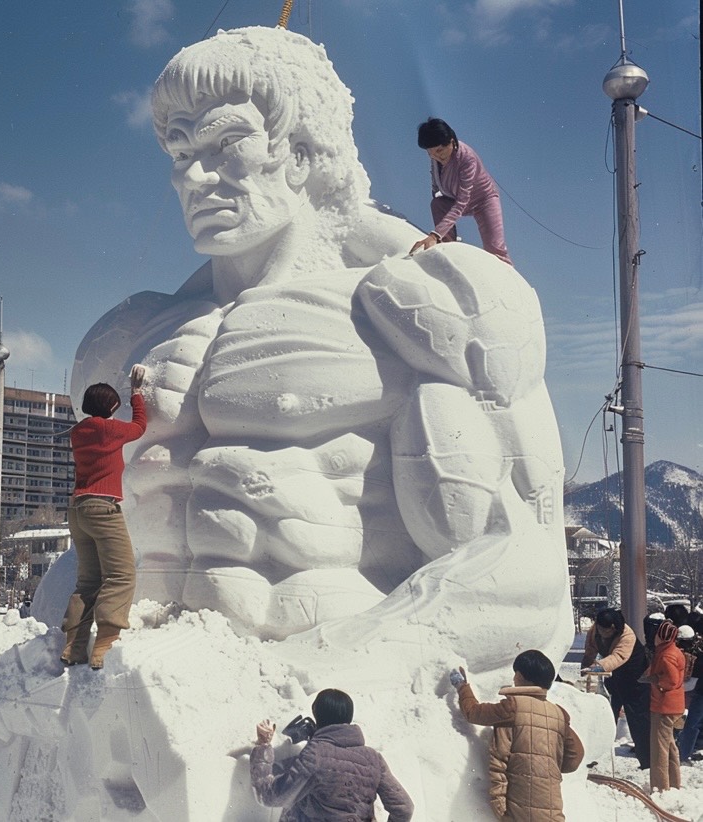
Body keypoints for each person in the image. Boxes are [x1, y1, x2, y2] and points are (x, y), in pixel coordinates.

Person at [72, 26, 570, 672]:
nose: (192, 175)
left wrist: (335, 668)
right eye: (178, 149)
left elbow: (523, 567)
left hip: (323, 697)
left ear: (302, 156)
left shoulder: (422, 307)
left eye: (225, 143)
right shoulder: (131, 337)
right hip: (128, 687)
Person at [62, 365, 148, 670]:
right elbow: (139, 427)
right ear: (109, 407)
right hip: (102, 508)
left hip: (78, 510)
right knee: (121, 575)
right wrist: (137, 393)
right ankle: (104, 645)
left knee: (88, 581)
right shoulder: (108, 429)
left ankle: (73, 646)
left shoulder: (78, 432)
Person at [450, 650, 584, 821]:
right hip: (551, 802)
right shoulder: (558, 714)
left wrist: (462, 687)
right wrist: (548, 766)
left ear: (520, 676)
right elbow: (574, 759)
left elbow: (474, 713)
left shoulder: (512, 706)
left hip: (519, 801)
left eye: (515, 674)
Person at [250, 688, 414, 821]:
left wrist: (263, 745)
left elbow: (270, 796)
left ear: (316, 713)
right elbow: (404, 808)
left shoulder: (316, 753)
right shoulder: (373, 758)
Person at [409, 118, 512, 265]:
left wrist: (435, 234)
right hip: (454, 197)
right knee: (437, 203)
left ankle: (510, 283)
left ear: (451, 141)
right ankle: (446, 247)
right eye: (430, 153)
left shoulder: (467, 159)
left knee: (495, 250)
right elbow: (435, 174)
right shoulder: (436, 155)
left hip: (484, 201)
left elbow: (462, 202)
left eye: (439, 151)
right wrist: (435, 191)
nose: (436, 156)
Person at [580, 608, 650, 769]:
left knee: (637, 718)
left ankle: (646, 759)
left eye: (606, 630)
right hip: (613, 676)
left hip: (634, 678)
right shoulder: (595, 630)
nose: (602, 632)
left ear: (614, 627)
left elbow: (618, 656)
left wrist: (599, 667)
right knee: (606, 713)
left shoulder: (627, 635)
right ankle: (593, 755)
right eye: (599, 628)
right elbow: (591, 648)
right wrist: (585, 664)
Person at [642, 620, 685, 792]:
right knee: (669, 745)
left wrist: (657, 681)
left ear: (661, 636)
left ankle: (660, 787)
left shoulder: (666, 655)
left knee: (659, 748)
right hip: (675, 704)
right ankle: (674, 782)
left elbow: (672, 680)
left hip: (664, 704)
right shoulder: (674, 651)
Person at [676, 612, 703, 762]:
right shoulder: (696, 654)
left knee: (690, 725)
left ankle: (683, 755)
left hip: (698, 693)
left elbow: (691, 682)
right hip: (697, 692)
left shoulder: (696, 657)